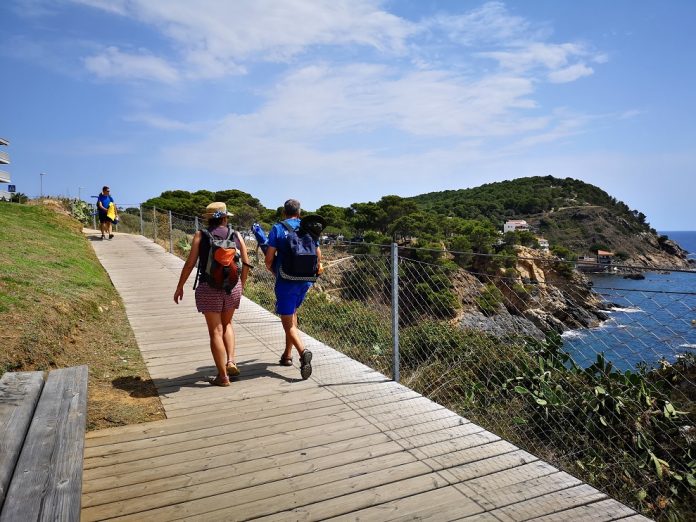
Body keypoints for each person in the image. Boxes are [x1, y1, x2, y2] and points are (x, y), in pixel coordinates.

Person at [174, 202, 251, 387]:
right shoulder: (236, 235)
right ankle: (231, 361)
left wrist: (180, 286)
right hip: (232, 287)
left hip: (209, 287)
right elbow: (246, 264)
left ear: (208, 218)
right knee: (228, 325)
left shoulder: (201, 235)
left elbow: (190, 263)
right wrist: (241, 285)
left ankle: (223, 377)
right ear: (225, 217)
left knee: (215, 331)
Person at [265, 199, 322, 380]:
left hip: (286, 279)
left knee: (287, 322)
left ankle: (303, 353)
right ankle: (287, 355)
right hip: (305, 280)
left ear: (284, 212)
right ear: (299, 213)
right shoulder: (309, 227)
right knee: (293, 314)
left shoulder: (278, 228)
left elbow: (268, 258)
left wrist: (274, 271)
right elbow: (318, 255)